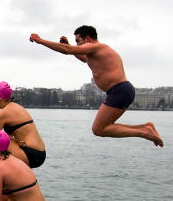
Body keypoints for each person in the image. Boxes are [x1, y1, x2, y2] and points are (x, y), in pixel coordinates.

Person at [29, 25, 163, 147]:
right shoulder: (94, 53)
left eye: (78, 41)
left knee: (98, 129)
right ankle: (145, 127)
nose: (77, 45)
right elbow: (81, 57)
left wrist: (41, 41)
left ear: (87, 38)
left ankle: (144, 133)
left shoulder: (98, 47)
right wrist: (70, 45)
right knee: (103, 127)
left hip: (119, 90)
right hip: (120, 91)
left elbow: (68, 51)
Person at [0, 81, 46, 168]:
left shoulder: (2, 114)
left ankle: (1, 173)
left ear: (0, 97)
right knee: (4, 137)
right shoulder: (16, 107)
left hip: (31, 154)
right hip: (39, 152)